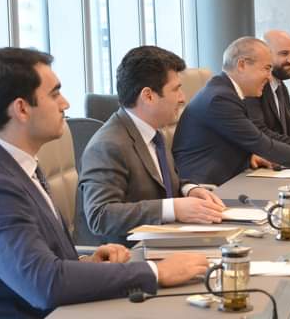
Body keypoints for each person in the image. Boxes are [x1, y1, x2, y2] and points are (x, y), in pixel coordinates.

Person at [0, 48, 207, 319]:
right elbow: (45, 284)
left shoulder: (7, 163)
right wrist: (154, 271)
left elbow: (32, 264)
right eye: (55, 94)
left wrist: (87, 263)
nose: (65, 104)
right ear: (22, 109)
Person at [77, 46, 226, 246]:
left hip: (165, 241)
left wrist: (188, 189)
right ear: (148, 96)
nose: (182, 98)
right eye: (176, 89)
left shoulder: (153, 133)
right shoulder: (108, 145)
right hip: (132, 254)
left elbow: (162, 183)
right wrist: (173, 209)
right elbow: (101, 215)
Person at [173, 37, 290, 185]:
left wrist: (248, 157)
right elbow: (259, 142)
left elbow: (231, 142)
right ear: (242, 65)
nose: (269, 77)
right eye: (266, 69)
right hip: (206, 187)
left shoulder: (227, 91)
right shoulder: (220, 99)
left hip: (230, 177)